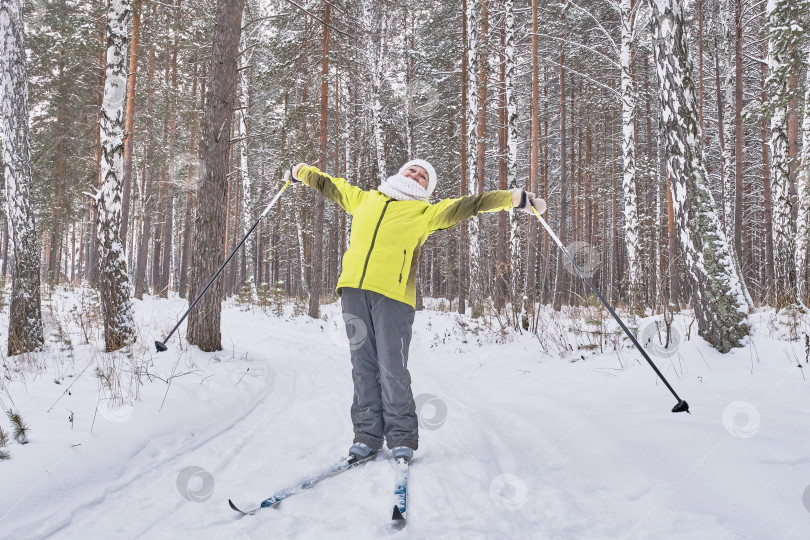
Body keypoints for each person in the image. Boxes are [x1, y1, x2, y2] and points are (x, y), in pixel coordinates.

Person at [285, 159, 546, 463]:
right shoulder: (365, 199)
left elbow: (470, 204)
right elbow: (330, 185)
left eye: (423, 176)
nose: (416, 175)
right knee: (362, 366)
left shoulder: (425, 213)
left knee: (392, 368)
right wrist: (300, 172)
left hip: (394, 298)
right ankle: (367, 436)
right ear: (400, 172)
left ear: (427, 187)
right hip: (353, 291)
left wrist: (513, 199)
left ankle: (401, 437)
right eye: (412, 170)